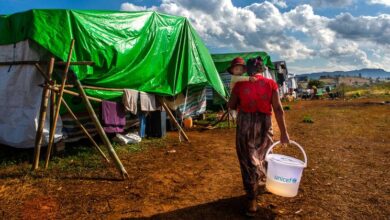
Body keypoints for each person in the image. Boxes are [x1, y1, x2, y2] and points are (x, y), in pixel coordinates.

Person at [228, 57, 290, 217]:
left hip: (245, 126)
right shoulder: (271, 84)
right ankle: (264, 183)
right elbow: (278, 109)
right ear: (262, 70)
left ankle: (252, 202)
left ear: (247, 70)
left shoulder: (239, 84)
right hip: (264, 125)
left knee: (247, 161)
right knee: (263, 156)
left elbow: (231, 105)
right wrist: (284, 133)